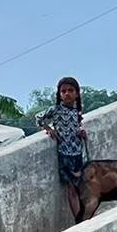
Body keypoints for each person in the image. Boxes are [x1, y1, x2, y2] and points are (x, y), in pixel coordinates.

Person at [38, 76, 89, 224]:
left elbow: (78, 125)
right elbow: (39, 117)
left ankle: (85, 217)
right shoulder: (56, 110)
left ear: (77, 94)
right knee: (71, 188)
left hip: (77, 152)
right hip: (64, 153)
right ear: (59, 94)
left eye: (70, 90)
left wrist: (81, 132)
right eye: (63, 91)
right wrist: (49, 129)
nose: (67, 94)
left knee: (81, 186)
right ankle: (79, 220)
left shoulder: (77, 112)